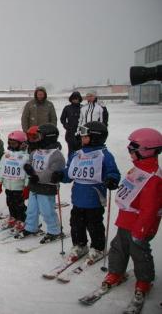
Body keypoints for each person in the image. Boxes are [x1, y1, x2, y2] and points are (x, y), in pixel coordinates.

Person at [101, 128, 161, 307]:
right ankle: (116, 272)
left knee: (140, 254)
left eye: (132, 148)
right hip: (126, 220)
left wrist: (140, 231)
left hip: (140, 226)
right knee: (118, 247)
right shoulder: (137, 169)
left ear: (145, 150)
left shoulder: (154, 178)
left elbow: (150, 209)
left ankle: (144, 280)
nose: (129, 150)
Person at [52, 121, 120, 263]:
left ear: (95, 137)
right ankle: (80, 245)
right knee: (76, 224)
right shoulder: (77, 154)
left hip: (94, 198)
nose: (82, 139)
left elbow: (112, 171)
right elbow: (69, 172)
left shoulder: (104, 155)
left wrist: (112, 179)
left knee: (94, 225)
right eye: (82, 137)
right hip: (78, 198)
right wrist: (61, 175)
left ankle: (98, 247)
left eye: (85, 137)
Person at [19, 124, 65, 243]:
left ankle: (55, 230)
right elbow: (29, 162)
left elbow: (52, 172)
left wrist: (36, 177)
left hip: (46, 187)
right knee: (31, 208)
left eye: (38, 137)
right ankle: (30, 227)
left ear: (47, 138)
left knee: (47, 210)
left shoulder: (56, 154)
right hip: (34, 186)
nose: (35, 140)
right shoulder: (36, 152)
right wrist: (28, 168)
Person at [0, 130, 29, 232]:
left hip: (19, 186)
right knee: (10, 203)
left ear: (22, 144)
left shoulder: (25, 157)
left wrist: (27, 186)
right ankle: (13, 217)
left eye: (14, 143)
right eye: (9, 143)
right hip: (8, 185)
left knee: (19, 205)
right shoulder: (6, 155)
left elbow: (28, 174)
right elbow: (1, 169)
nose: (11, 145)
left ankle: (21, 219)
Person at [60, 91, 82, 158]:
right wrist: (66, 126)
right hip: (70, 133)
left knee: (80, 151)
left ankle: (79, 165)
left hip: (81, 133)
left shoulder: (83, 108)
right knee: (71, 151)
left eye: (76, 98)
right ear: (71, 99)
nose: (75, 100)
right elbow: (62, 119)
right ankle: (70, 164)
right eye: (73, 98)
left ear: (79, 99)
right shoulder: (67, 108)